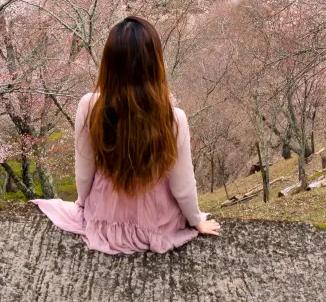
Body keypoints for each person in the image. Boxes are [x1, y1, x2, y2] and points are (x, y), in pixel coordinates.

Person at [33, 16, 220, 254]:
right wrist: (196, 220)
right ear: (155, 64)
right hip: (156, 222)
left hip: (104, 219)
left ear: (108, 64)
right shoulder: (173, 119)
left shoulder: (89, 106)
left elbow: (84, 169)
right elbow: (182, 185)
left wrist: (83, 200)